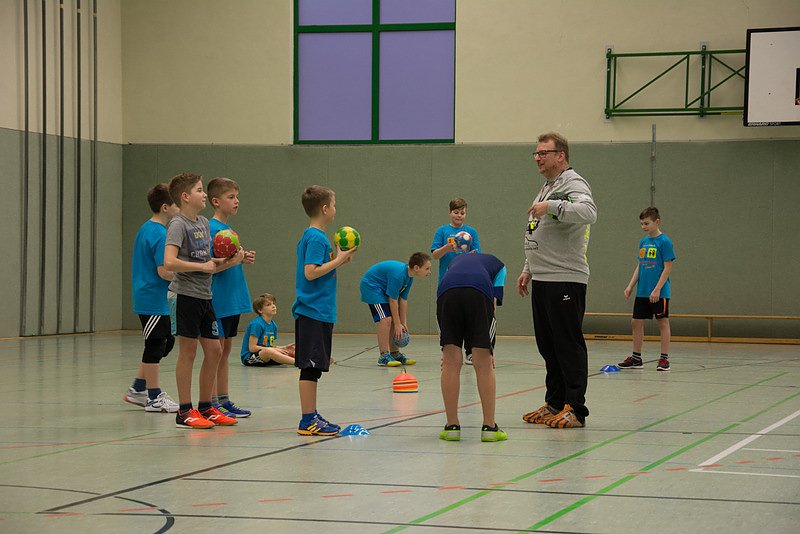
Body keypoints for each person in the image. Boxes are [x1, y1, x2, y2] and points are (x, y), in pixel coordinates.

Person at [517, 132, 597, 429]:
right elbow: (538, 229)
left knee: (567, 344)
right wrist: (528, 267)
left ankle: (575, 408)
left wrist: (551, 206)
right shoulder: (547, 187)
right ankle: (554, 403)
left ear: (560, 155)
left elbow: (588, 213)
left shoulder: (573, 182)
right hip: (543, 276)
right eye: (535, 153)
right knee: (548, 345)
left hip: (565, 277)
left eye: (543, 153)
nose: (538, 157)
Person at [164, 172, 244, 429]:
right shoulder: (178, 224)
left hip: (205, 296)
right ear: (186, 197)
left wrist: (228, 261)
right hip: (185, 295)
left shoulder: (202, 223)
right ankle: (184, 411)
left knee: (215, 350)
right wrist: (204, 266)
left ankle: (206, 406)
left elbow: (206, 264)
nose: (203, 195)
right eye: (199, 190)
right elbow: (170, 262)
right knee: (188, 352)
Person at [292, 186, 357, 436]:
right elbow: (310, 272)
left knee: (315, 367)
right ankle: (307, 419)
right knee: (310, 367)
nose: (335, 209)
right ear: (325, 209)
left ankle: (311, 414)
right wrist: (338, 260)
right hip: (313, 310)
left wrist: (336, 258)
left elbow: (319, 267)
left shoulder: (312, 236)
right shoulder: (317, 237)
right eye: (335, 204)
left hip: (318, 311)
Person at [438, 253, 507, 442]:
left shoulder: (455, 261)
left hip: (446, 293)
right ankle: (489, 427)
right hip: (478, 292)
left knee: (450, 361)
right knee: (483, 363)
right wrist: (486, 349)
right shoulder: (499, 265)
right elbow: (492, 304)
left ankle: (452, 427)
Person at [124, 183, 180, 413]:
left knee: (165, 341)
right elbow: (164, 270)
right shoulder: (159, 233)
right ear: (165, 207)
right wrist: (188, 276)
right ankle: (154, 396)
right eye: (177, 203)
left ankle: (138, 388)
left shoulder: (148, 228)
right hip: (151, 296)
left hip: (154, 296)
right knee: (156, 343)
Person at [207, 177, 256, 418]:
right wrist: (233, 261)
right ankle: (211, 401)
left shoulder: (228, 231)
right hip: (219, 300)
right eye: (231, 197)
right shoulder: (211, 230)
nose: (236, 201)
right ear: (216, 201)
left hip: (232, 300)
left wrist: (241, 259)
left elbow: (227, 261)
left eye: (237, 197)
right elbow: (210, 266)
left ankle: (223, 399)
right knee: (215, 352)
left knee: (225, 351)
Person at [619, 207, 675, 371]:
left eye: (647, 223)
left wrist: (657, 289)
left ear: (657, 222)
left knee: (662, 322)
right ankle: (636, 358)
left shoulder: (665, 241)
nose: (644, 226)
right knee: (636, 321)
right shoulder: (643, 242)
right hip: (642, 291)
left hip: (659, 292)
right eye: (642, 224)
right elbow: (640, 265)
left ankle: (664, 359)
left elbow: (667, 268)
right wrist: (630, 285)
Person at [431, 197, 481, 364]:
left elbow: (478, 255)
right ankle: (448, 352)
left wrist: (471, 255)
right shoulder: (442, 231)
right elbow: (435, 255)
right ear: (450, 213)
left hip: (467, 282)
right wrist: (447, 247)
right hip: (447, 283)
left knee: (467, 318)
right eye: (456, 212)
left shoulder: (471, 232)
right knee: (447, 319)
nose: (459, 215)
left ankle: (469, 352)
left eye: (462, 213)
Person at [359, 253, 432, 367]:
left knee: (394, 320)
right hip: (372, 287)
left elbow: (402, 300)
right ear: (416, 268)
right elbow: (393, 301)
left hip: (383, 290)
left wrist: (402, 323)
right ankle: (383, 356)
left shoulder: (409, 277)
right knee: (386, 319)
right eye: (427, 268)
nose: (429, 272)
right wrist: (397, 324)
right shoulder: (398, 275)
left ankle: (395, 354)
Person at [241, 293, 296, 367]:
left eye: (273, 303)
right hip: (250, 357)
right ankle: (298, 363)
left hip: (266, 354)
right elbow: (252, 348)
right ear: (260, 310)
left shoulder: (273, 325)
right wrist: (273, 349)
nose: (273, 306)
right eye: (268, 305)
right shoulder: (257, 325)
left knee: (290, 349)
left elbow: (270, 345)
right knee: (269, 351)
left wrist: (284, 347)